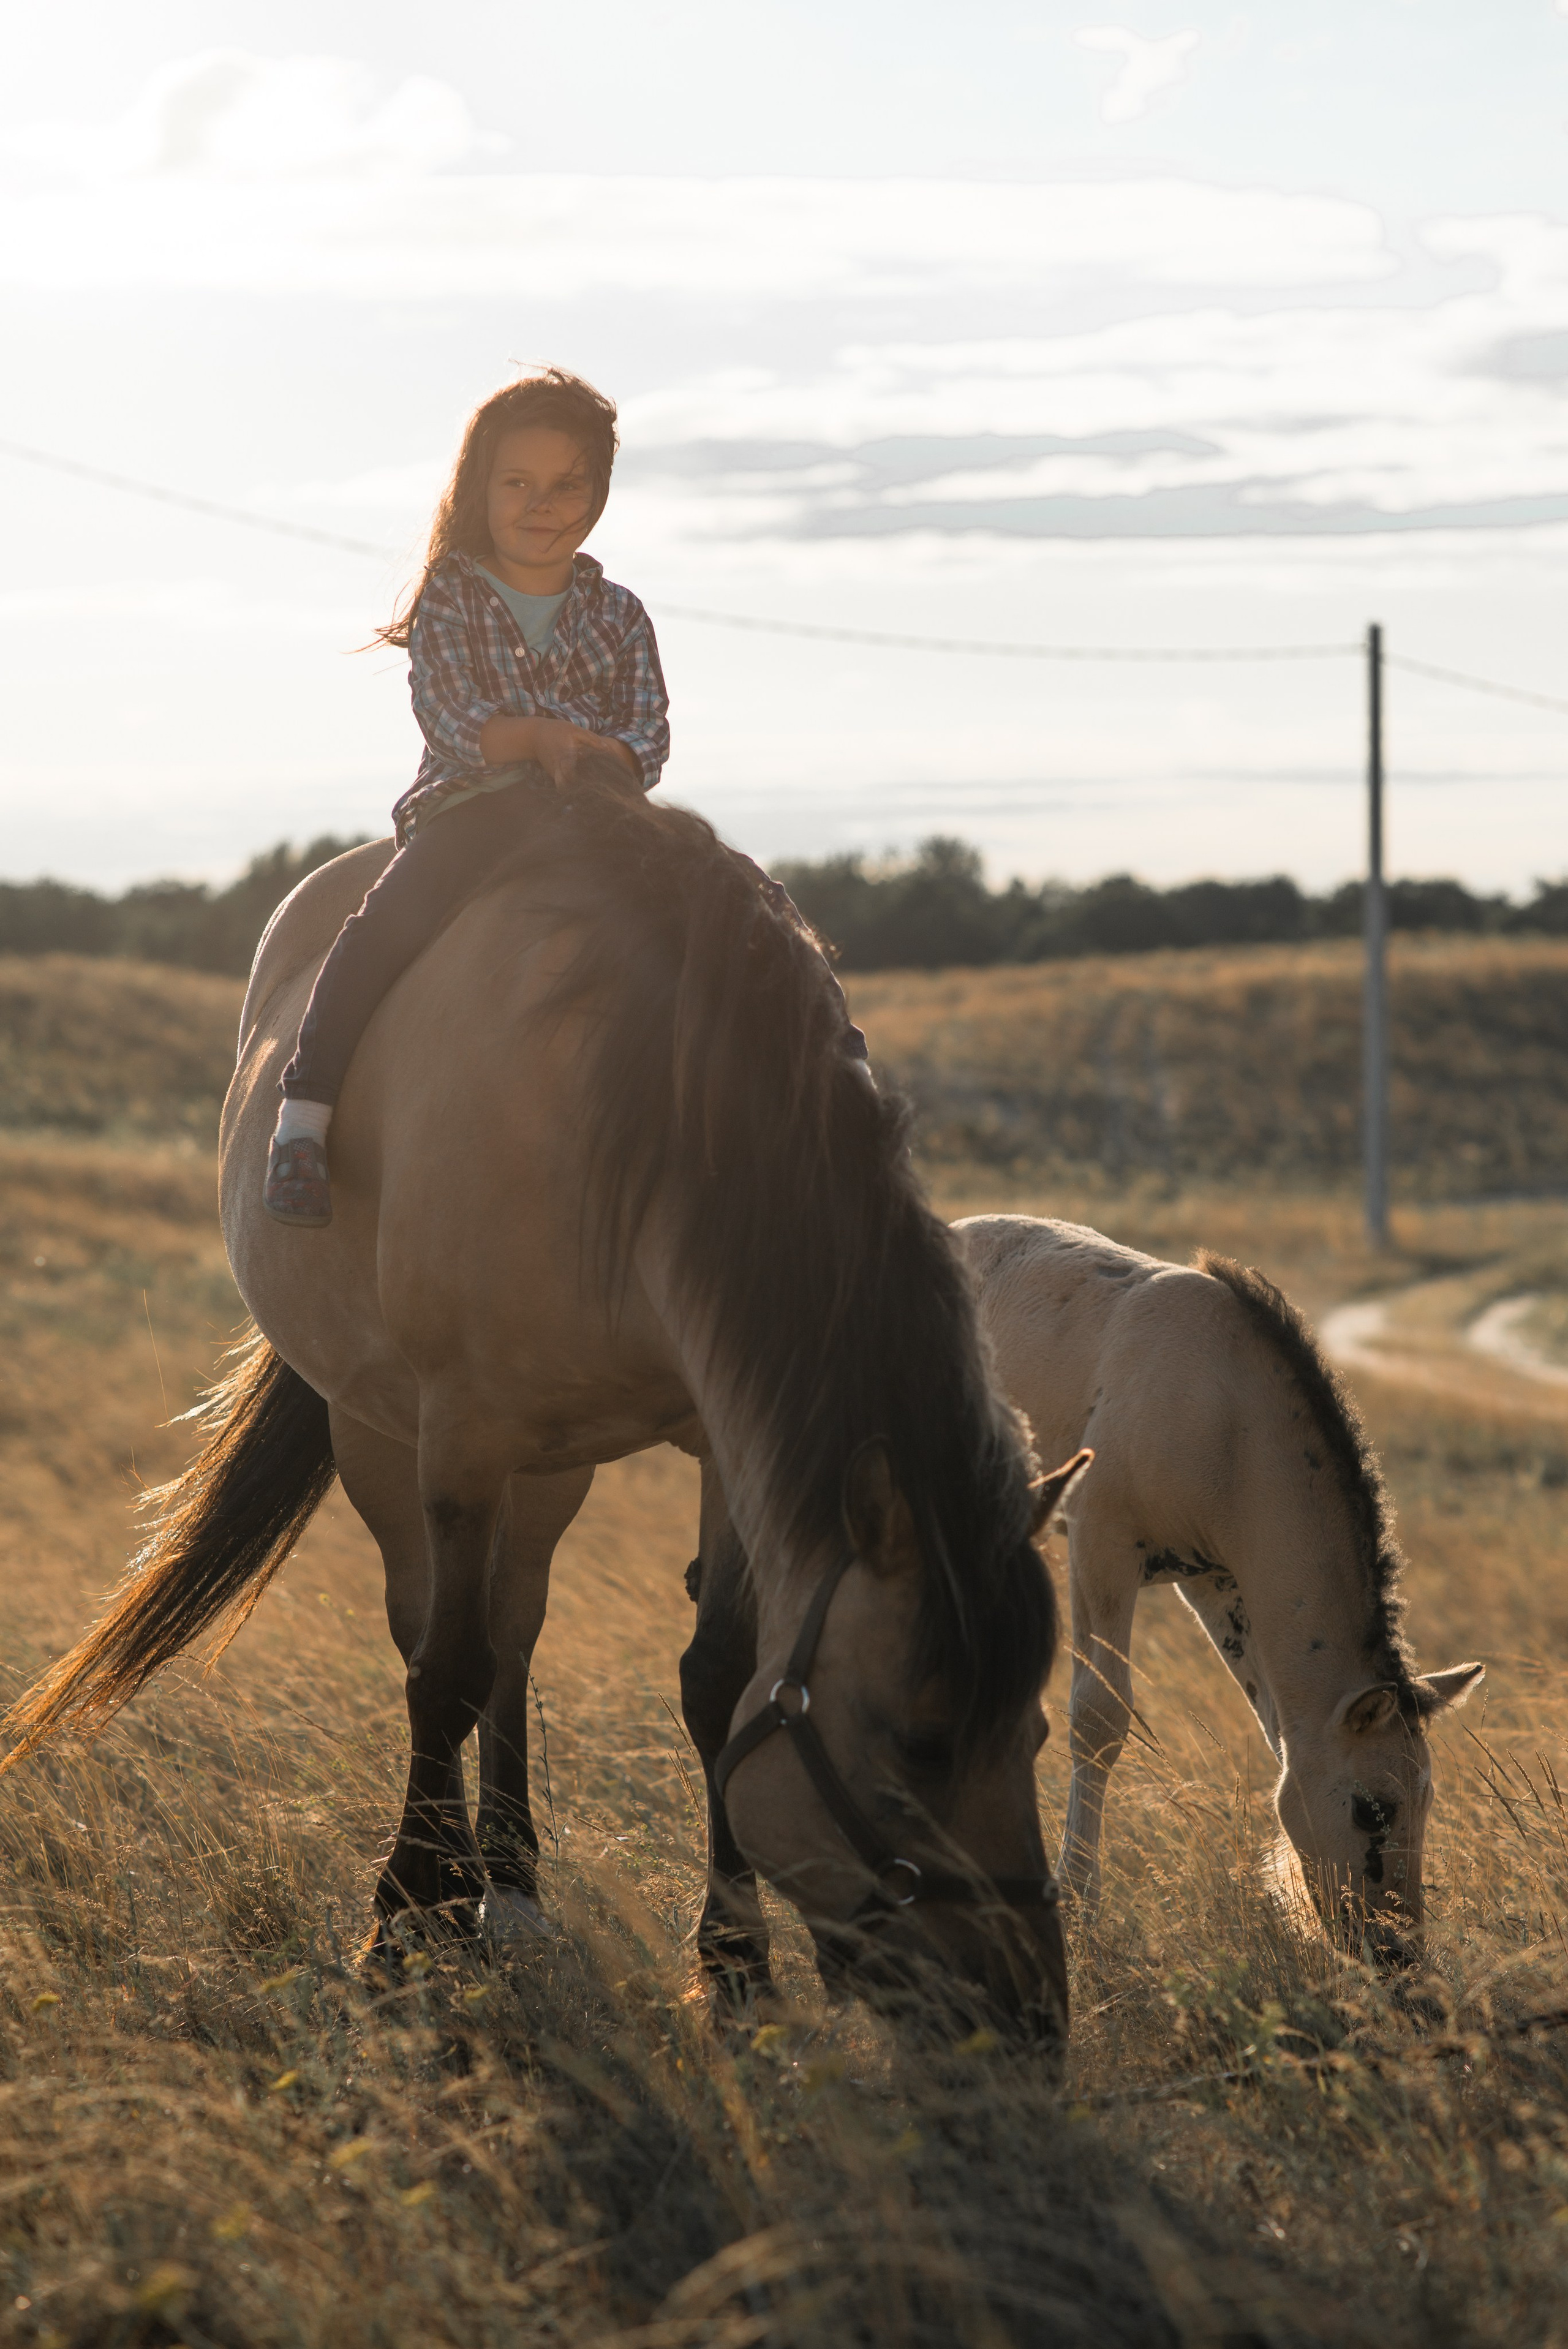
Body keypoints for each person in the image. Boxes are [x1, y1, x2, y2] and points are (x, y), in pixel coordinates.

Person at [263, 368, 670, 1227]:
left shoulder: (622, 615)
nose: (542, 504)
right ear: (479, 490)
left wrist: (601, 758)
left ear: (598, 495)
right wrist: (538, 740)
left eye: (568, 485)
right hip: (472, 809)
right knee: (387, 923)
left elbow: (649, 737)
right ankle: (305, 1114)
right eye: (517, 483)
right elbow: (450, 716)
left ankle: (830, 1065)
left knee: (735, 897)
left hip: (597, 820)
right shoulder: (454, 593)